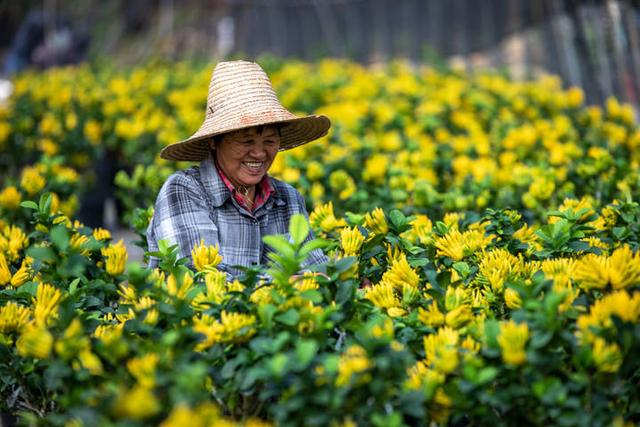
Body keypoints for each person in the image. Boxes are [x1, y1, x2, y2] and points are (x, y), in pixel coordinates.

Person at [147, 60, 331, 278]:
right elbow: (198, 279)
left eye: (270, 142)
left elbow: (317, 269)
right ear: (214, 141)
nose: (260, 154)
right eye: (246, 142)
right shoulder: (183, 191)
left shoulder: (287, 199)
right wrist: (286, 285)